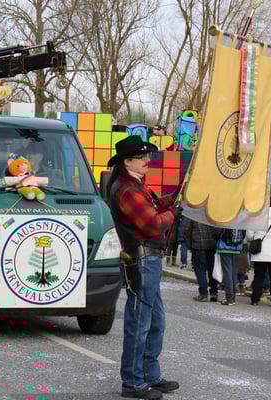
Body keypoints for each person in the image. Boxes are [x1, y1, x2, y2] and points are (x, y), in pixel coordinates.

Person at [106, 136, 179, 399]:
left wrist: (171, 200)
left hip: (147, 260)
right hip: (142, 260)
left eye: (147, 156)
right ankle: (133, 382)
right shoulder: (127, 189)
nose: (148, 160)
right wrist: (173, 213)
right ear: (127, 162)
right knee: (140, 322)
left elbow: (152, 210)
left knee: (155, 320)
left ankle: (149, 375)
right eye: (142, 157)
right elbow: (151, 224)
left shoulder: (134, 185)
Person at [183, 218, 218, 302]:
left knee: (200, 270)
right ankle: (214, 292)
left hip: (198, 244)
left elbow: (186, 229)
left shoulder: (192, 213)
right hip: (212, 244)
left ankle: (203, 294)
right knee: (212, 269)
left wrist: (189, 245)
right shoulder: (210, 211)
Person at [212, 227, 246, 306]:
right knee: (233, 274)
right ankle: (232, 297)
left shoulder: (226, 220)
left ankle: (229, 298)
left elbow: (216, 232)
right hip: (237, 248)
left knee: (227, 273)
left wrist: (217, 239)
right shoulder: (240, 220)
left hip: (225, 247)